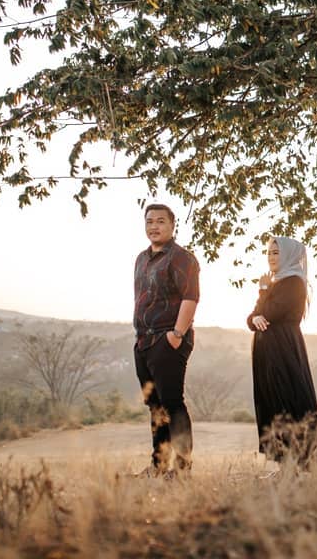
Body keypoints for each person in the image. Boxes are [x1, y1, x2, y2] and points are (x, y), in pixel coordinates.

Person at [247, 236, 317, 471]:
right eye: (269, 253)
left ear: (289, 255)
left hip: (283, 349)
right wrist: (256, 316)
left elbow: (272, 313)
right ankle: (285, 467)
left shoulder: (294, 282)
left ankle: (310, 466)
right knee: (272, 404)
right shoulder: (275, 283)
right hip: (267, 352)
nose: (271, 257)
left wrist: (263, 292)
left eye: (276, 252)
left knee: (290, 402)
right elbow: (252, 319)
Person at [133, 203, 199, 476]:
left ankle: (183, 468)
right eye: (149, 221)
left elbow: (190, 297)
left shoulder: (182, 258)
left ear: (172, 225)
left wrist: (176, 335)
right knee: (155, 406)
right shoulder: (141, 258)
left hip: (168, 340)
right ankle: (158, 465)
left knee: (173, 404)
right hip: (144, 342)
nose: (154, 227)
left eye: (160, 221)